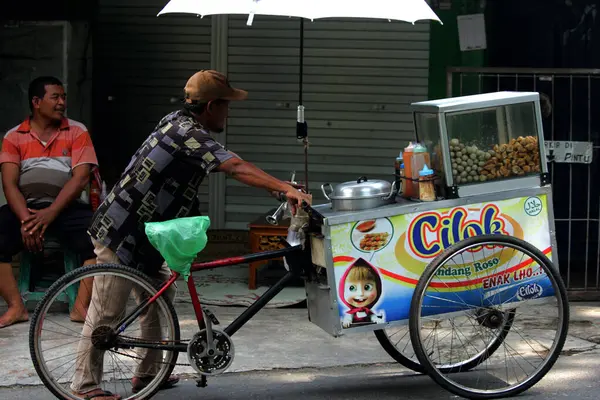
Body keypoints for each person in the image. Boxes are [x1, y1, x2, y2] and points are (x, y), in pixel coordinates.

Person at [70, 69, 312, 400]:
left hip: (149, 234)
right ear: (211, 106)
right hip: (121, 232)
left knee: (158, 300)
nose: (229, 112)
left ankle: (147, 374)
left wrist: (279, 190)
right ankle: (84, 386)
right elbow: (235, 166)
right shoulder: (186, 133)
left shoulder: (179, 122)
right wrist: (282, 186)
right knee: (106, 313)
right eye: (226, 105)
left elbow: (229, 167)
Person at [0, 76, 98, 328]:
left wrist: (51, 213)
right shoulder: (14, 136)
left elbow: (80, 179)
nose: (62, 103)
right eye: (55, 97)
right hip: (27, 208)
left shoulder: (77, 131)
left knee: (100, 238)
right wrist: (26, 219)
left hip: (66, 208)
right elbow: (10, 184)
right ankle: (16, 307)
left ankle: (81, 307)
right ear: (36, 102)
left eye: (63, 97)